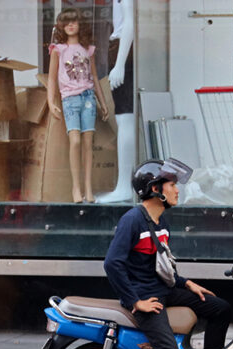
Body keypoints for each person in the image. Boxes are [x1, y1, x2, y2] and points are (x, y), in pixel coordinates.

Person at [104, 159, 231, 349]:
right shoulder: (132, 220)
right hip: (145, 296)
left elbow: (161, 266)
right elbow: (112, 264)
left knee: (220, 308)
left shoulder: (161, 222)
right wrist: (135, 302)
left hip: (164, 288)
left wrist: (186, 283)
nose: (177, 190)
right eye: (172, 185)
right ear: (155, 189)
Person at [47, 8, 109, 203]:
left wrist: (102, 102)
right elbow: (51, 78)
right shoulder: (58, 50)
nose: (71, 25)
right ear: (61, 26)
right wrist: (50, 102)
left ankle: (88, 188)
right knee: (75, 141)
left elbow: (94, 77)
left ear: (80, 24)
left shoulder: (88, 49)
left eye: (74, 21)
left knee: (88, 143)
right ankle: (76, 187)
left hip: (88, 98)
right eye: (66, 22)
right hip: (69, 99)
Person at [96, 0, 136, 203]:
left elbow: (130, 22)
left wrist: (119, 64)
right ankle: (125, 185)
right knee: (125, 118)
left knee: (125, 118)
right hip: (122, 48)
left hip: (124, 49)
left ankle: (124, 186)